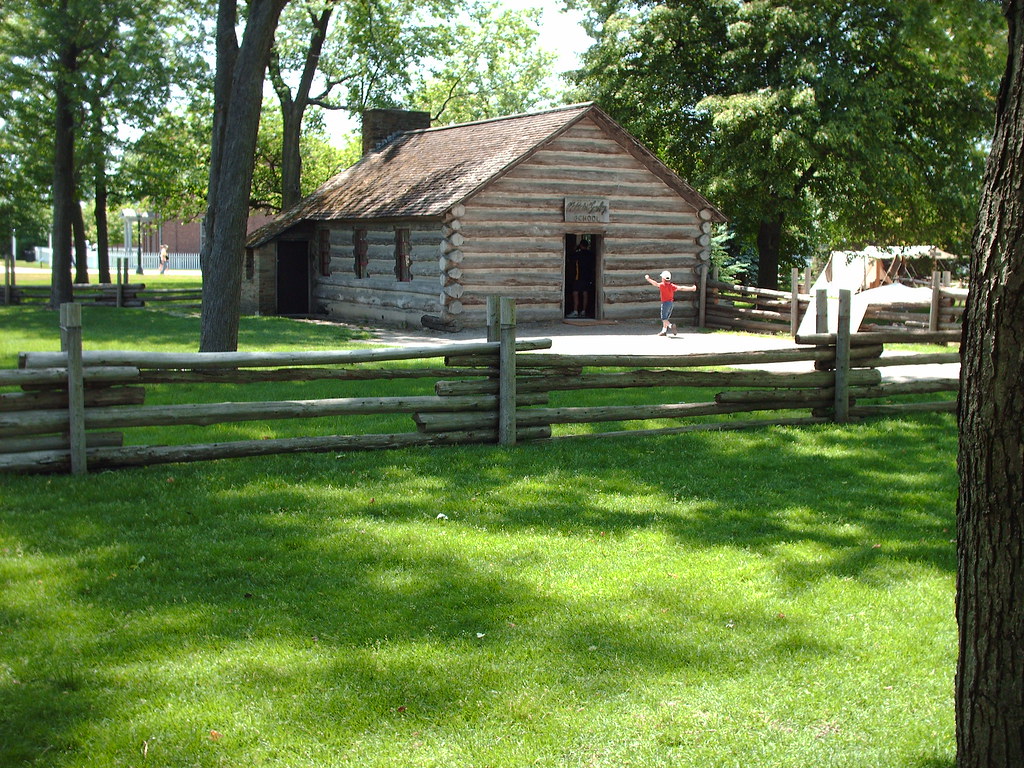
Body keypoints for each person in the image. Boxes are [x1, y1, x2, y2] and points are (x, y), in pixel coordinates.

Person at [644, 270, 696, 336]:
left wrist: (648, 279)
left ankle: (671, 326)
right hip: (671, 304)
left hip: (665, 303)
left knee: (664, 318)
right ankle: (664, 331)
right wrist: (692, 288)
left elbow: (655, 283)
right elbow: (681, 288)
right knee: (666, 318)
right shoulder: (672, 286)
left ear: (663, 278)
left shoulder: (662, 285)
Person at [567, 240, 595, 318]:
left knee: (575, 292)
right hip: (587, 276)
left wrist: (576, 248)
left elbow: (570, 257)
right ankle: (583, 311)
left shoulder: (577, 254)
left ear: (581, 245)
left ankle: (575, 311)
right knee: (585, 293)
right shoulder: (591, 254)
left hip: (578, 276)